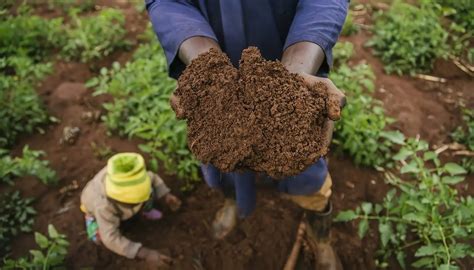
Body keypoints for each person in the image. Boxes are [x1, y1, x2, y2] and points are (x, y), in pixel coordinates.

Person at [147, 1, 348, 268]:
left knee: (305, 169)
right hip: (215, 81)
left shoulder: (293, 88)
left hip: (294, 54)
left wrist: (296, 71)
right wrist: (208, 69)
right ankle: (233, 201)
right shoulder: (213, 84)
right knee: (223, 157)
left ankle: (319, 234)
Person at [80, 152, 182, 268]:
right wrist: (144, 253)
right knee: (100, 237)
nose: (138, 202)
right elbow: (111, 238)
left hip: (123, 205)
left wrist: (166, 195)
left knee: (148, 194)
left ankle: (145, 210)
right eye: (133, 202)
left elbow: (153, 178)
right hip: (95, 210)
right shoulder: (104, 206)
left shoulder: (135, 179)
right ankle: (91, 221)